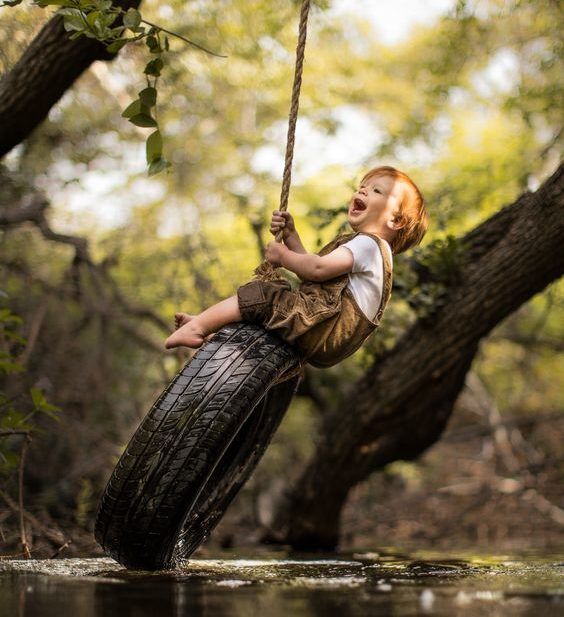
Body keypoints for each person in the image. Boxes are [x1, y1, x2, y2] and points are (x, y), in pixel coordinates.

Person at [165, 165, 428, 368]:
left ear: (396, 220)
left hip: (326, 330)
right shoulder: (366, 250)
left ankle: (198, 327)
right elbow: (316, 274)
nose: (362, 191)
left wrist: (282, 256)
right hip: (326, 335)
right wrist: (291, 236)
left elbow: (315, 270)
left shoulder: (370, 245)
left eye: (376, 191)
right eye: (362, 186)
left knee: (265, 296)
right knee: (277, 304)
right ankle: (214, 332)